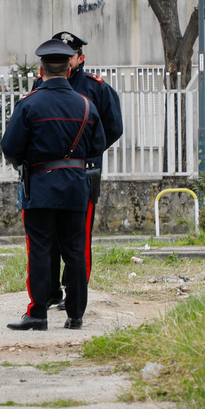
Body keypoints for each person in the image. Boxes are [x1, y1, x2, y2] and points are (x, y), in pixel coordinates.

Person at [0, 39, 106, 331]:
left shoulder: (29, 104)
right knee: (74, 250)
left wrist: (27, 161)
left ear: (41, 68)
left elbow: (9, 147)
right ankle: (75, 315)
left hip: (41, 187)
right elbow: (97, 145)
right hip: (76, 187)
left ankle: (38, 314)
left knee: (40, 250)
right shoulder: (86, 105)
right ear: (69, 67)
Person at [41, 31, 123, 312]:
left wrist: (84, 152)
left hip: (82, 172)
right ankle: (50, 291)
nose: (66, 61)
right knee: (47, 237)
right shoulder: (43, 83)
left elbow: (113, 128)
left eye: (70, 56)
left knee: (78, 238)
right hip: (47, 174)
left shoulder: (96, 88)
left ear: (80, 58)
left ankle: (74, 293)